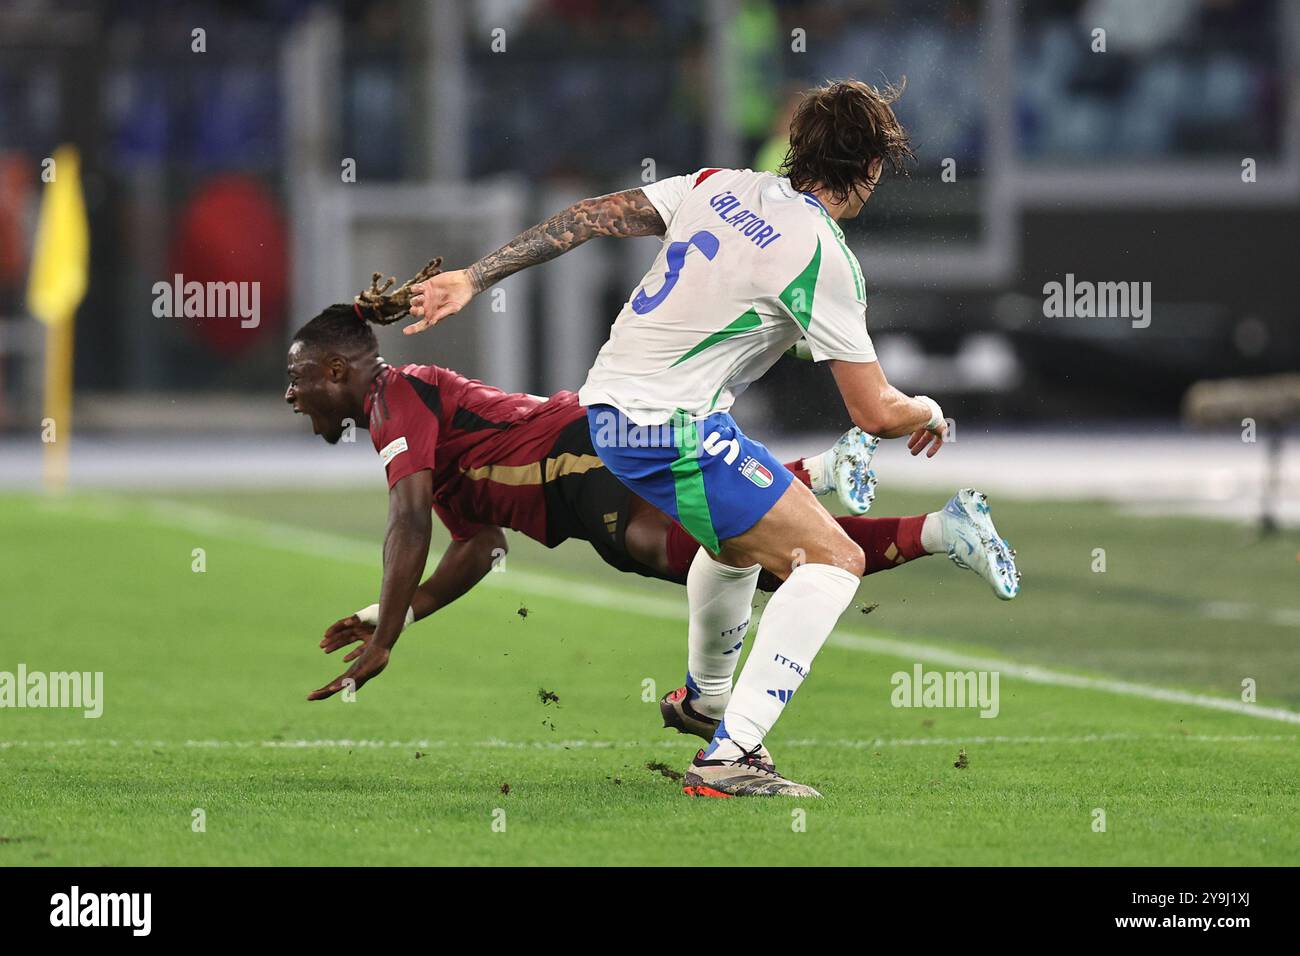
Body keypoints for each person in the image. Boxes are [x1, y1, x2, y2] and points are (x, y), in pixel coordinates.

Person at [404, 79, 1020, 796]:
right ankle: (730, 756)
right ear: (873, 169)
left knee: (732, 545)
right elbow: (875, 413)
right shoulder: (824, 255)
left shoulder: (717, 186)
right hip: (667, 427)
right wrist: (929, 409)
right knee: (833, 559)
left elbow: (591, 215)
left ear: (797, 145)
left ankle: (706, 700)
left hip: (606, 410)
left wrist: (476, 277)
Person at [286, 300, 1018, 711]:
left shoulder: (394, 397)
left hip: (579, 455)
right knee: (755, 558)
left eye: (298, 379)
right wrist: (395, 613)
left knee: (695, 546)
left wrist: (386, 639)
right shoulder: (413, 423)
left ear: (336, 369)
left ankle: (830, 472)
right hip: (576, 476)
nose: (291, 394)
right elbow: (480, 547)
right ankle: (931, 527)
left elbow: (408, 521)